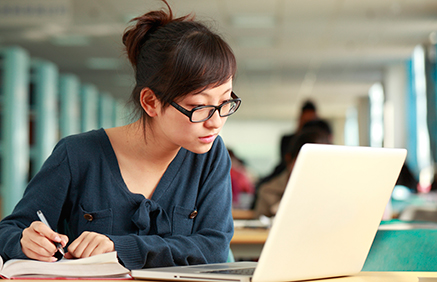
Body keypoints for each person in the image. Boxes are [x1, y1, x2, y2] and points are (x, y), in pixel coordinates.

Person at [0, 0, 240, 270]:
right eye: (199, 108)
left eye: (225, 102)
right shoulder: (77, 155)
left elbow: (213, 248)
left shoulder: (210, 155)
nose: (216, 122)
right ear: (150, 102)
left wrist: (120, 247)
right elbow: (9, 231)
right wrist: (23, 240)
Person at [254, 128, 331, 218]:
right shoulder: (269, 191)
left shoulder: (331, 191)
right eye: (306, 162)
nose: (312, 170)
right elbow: (258, 228)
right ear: (289, 159)